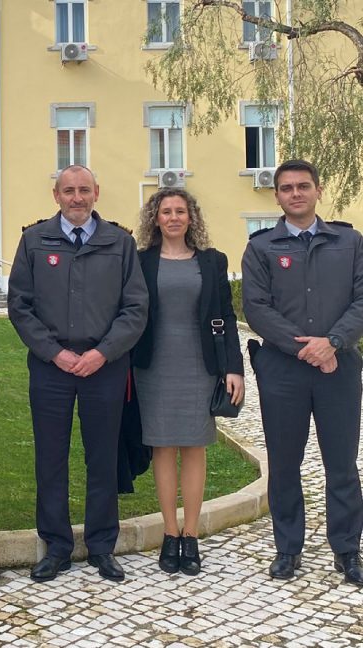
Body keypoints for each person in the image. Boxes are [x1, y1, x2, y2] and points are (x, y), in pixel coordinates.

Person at [8, 164, 148, 583]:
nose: (76, 198)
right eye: (68, 191)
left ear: (96, 193)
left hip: (104, 368)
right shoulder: (34, 240)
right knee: (50, 459)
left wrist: (102, 353)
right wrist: (55, 353)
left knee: (102, 458)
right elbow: (20, 305)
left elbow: (135, 308)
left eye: (84, 190)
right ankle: (56, 547)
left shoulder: (119, 242)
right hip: (52, 369)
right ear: (56, 195)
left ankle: (102, 546)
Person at [242, 159, 363, 584]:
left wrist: (332, 343)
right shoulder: (260, 247)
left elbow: (362, 300)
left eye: (303, 186)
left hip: (339, 367)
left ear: (318, 190)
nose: (296, 193)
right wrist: (308, 349)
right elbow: (256, 307)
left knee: (342, 464)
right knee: (286, 463)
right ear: (276, 195)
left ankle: (348, 551)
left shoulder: (350, 242)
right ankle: (287, 549)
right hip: (282, 371)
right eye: (287, 188)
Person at [131, 189, 245, 576]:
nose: (174, 217)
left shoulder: (212, 262)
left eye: (181, 211)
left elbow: (226, 317)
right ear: (156, 218)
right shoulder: (141, 260)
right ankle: (169, 534)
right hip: (153, 366)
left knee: (195, 447)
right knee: (163, 447)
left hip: (201, 366)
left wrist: (234, 367)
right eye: (166, 211)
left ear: (191, 218)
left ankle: (191, 536)